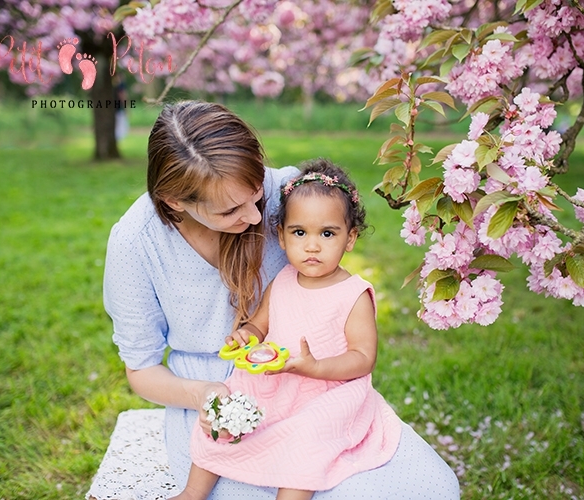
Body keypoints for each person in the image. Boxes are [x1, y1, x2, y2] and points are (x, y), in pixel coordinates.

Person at [103, 100, 460, 499]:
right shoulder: (136, 243)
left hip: (309, 389)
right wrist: (204, 394)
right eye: (230, 211)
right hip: (218, 398)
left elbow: (331, 249)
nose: (258, 219)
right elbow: (141, 369)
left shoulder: (293, 195)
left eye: (255, 196)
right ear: (174, 201)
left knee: (435, 490)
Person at [176, 160, 401, 500]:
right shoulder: (282, 280)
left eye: (327, 233)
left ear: (350, 238)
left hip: (327, 390)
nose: (312, 245)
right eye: (299, 233)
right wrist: (245, 336)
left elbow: (363, 358)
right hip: (276, 380)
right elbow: (259, 324)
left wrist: (317, 368)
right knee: (229, 408)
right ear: (281, 236)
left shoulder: (353, 294)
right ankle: (192, 492)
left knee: (307, 438)